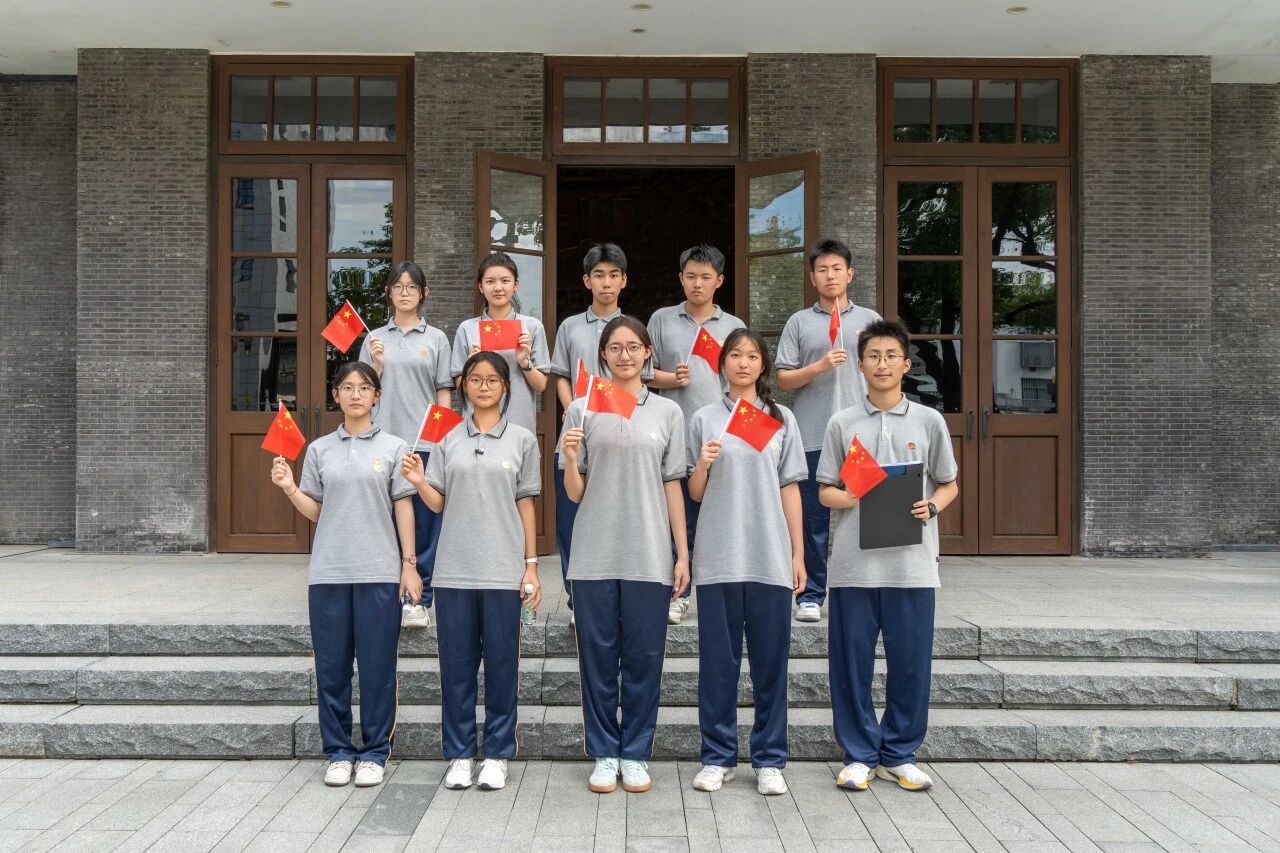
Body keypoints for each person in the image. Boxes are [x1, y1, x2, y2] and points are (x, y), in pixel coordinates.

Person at [816, 319, 959, 792]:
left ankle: (899, 753)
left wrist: (932, 506)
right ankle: (858, 754)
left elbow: (949, 483)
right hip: (853, 568)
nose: (882, 364)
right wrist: (849, 495)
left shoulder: (929, 421)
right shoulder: (841, 423)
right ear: (859, 365)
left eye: (891, 356)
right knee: (850, 666)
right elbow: (825, 491)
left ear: (906, 364)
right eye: (873, 356)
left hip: (911, 568)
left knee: (911, 665)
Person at [269, 361, 419, 789]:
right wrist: (289, 487)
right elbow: (316, 511)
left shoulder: (395, 447)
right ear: (335, 396)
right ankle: (337, 751)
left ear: (377, 396)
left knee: (376, 668)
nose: (356, 394)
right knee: (332, 668)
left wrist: (409, 565)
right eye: (347, 387)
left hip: (379, 572)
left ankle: (374, 751)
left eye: (364, 387)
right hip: (329, 573)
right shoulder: (320, 450)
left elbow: (403, 507)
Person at [401, 352, 541, 793]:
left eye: (492, 380)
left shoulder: (522, 439)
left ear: (505, 387)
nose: (483, 386)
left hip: (503, 570)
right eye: (475, 379)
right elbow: (438, 502)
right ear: (463, 386)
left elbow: (526, 504)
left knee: (502, 665)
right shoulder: (447, 439)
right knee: (456, 667)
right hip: (454, 571)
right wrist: (419, 481)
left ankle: (497, 753)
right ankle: (460, 754)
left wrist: (531, 566)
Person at [559, 316, 688, 795]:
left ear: (648, 352)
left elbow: (673, 484)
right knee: (597, 657)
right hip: (593, 553)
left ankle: (635, 752)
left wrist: (682, 553)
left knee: (644, 658)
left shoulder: (668, 412)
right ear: (603, 355)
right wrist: (570, 459)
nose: (625, 355)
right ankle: (604, 752)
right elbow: (574, 493)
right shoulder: (582, 408)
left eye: (634, 346)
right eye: (615, 347)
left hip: (649, 552)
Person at [686, 328, 806, 796]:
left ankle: (769, 758)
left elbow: (789, 488)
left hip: (768, 556)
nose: (743, 363)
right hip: (718, 556)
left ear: (763, 365)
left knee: (770, 664)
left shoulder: (781, 419)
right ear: (722, 364)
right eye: (734, 355)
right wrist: (704, 463)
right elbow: (695, 493)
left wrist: (797, 554)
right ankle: (717, 757)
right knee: (718, 664)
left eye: (752, 356)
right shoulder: (704, 419)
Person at [775, 239, 882, 623]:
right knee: (813, 521)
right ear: (812, 277)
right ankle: (810, 595)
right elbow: (782, 380)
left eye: (837, 268)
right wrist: (818, 367)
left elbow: (884, 371)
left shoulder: (870, 320)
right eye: (822, 269)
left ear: (849, 274)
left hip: (861, 436)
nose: (830, 275)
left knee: (866, 514)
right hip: (812, 434)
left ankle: (866, 590)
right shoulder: (799, 322)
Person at [548, 243, 649, 614]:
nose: (606, 283)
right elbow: (560, 374)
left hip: (618, 438)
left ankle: (616, 595)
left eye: (613, 275)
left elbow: (642, 381)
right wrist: (572, 410)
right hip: (577, 435)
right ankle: (577, 598)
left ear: (624, 281)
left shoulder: (632, 329)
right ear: (586, 280)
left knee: (616, 520)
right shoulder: (570, 326)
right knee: (571, 521)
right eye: (599, 275)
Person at [646, 244, 745, 625]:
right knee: (679, 519)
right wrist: (671, 378)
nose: (697, 284)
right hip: (674, 431)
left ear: (719, 281)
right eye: (691, 276)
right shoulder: (661, 319)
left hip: (720, 434)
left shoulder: (733, 326)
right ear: (680, 278)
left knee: (720, 516)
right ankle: (679, 594)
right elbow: (641, 371)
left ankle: (722, 592)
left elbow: (743, 377)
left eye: (705, 277)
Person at [358, 261, 454, 629]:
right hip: (382, 441)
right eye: (398, 286)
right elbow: (362, 390)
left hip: (424, 441)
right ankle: (388, 596)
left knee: (425, 521)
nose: (405, 292)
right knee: (386, 520)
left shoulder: (437, 338)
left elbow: (443, 390)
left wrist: (443, 436)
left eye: (412, 286)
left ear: (423, 293)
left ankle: (420, 599)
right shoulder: (374, 339)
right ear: (389, 292)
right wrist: (377, 365)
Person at [450, 252, 551, 435]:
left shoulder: (532, 327)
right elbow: (459, 386)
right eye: (490, 282)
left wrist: (524, 362)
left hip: (518, 425)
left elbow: (541, 385)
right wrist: (470, 368)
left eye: (505, 281)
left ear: (516, 285)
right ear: (481, 286)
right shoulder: (467, 328)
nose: (498, 288)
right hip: (475, 427)